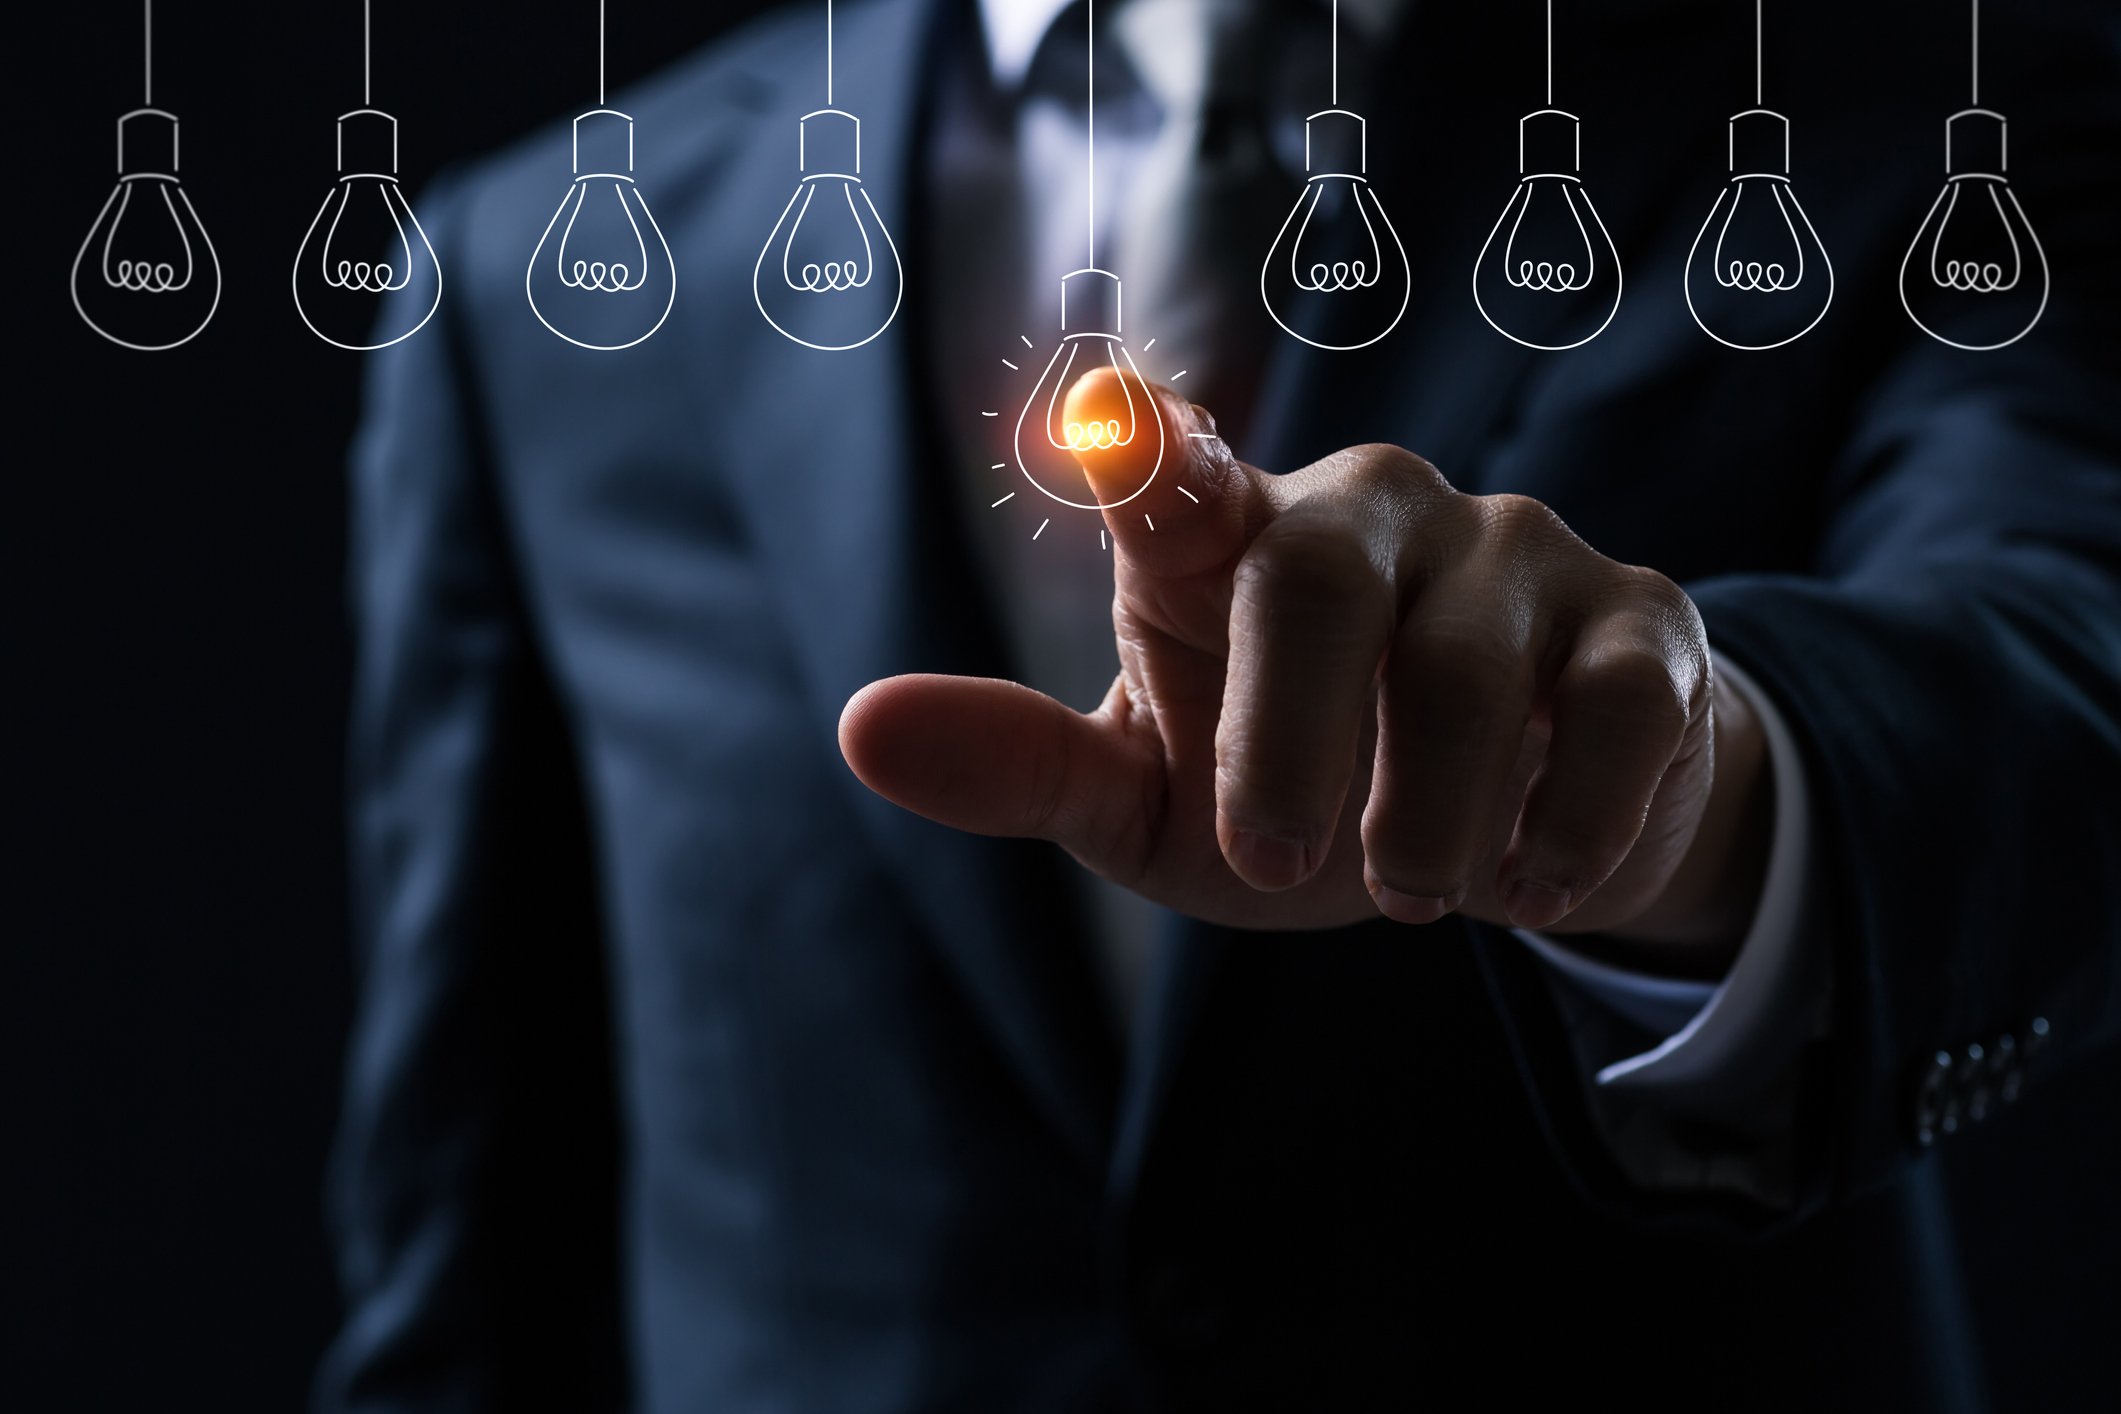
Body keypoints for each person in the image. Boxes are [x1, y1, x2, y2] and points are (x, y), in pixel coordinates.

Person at [316, 1, 2121, 1409]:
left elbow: (2056, 668)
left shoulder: (1934, 120)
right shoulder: (540, 281)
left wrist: (1687, 788)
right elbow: (474, 1222)